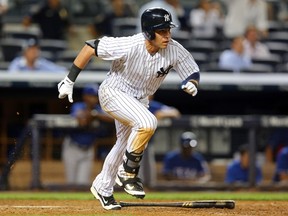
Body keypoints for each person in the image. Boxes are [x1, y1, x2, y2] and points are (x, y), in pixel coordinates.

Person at [57, 7, 200, 210]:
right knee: (148, 122)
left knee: (124, 144)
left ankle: (103, 187)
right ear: (149, 32)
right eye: (162, 31)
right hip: (113, 93)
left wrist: (193, 82)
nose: (167, 35)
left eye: (169, 30)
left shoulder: (174, 49)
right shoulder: (130, 44)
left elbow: (192, 69)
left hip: (139, 100)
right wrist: (69, 80)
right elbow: (90, 46)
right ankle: (128, 173)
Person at [62, 84, 114, 185]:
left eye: (95, 96)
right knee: (71, 183)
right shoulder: (78, 106)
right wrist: (94, 115)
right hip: (72, 147)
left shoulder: (98, 109)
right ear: (85, 96)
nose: (93, 99)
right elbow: (83, 121)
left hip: (88, 149)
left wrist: (95, 114)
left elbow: (114, 119)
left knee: (83, 183)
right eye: (91, 96)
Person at [139, 95, 181, 187]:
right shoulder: (134, 104)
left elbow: (175, 112)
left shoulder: (154, 106)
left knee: (148, 170)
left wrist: (159, 114)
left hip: (147, 142)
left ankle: (149, 189)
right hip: (131, 141)